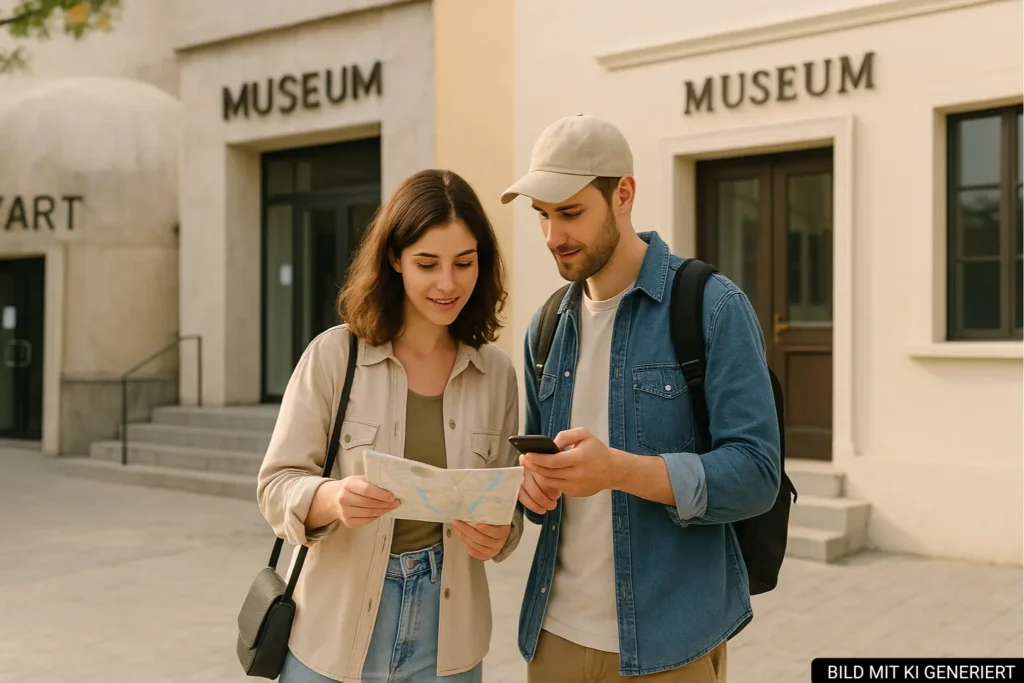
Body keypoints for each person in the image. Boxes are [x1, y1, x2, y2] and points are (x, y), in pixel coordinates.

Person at [500, 114, 781, 683]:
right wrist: (527, 485)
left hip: (671, 644)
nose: (554, 236)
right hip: (553, 639)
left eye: (571, 212)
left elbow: (756, 475)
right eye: (543, 216)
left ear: (623, 195)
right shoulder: (546, 327)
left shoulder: (712, 306)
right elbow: (532, 489)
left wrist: (618, 470)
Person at [258, 168, 524, 683]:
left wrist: (500, 534)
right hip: (333, 634)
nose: (448, 284)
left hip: (449, 640)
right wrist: (334, 498)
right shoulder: (335, 355)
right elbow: (276, 486)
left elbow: (505, 505)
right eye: (427, 263)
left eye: (464, 263)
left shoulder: (497, 374)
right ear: (395, 259)